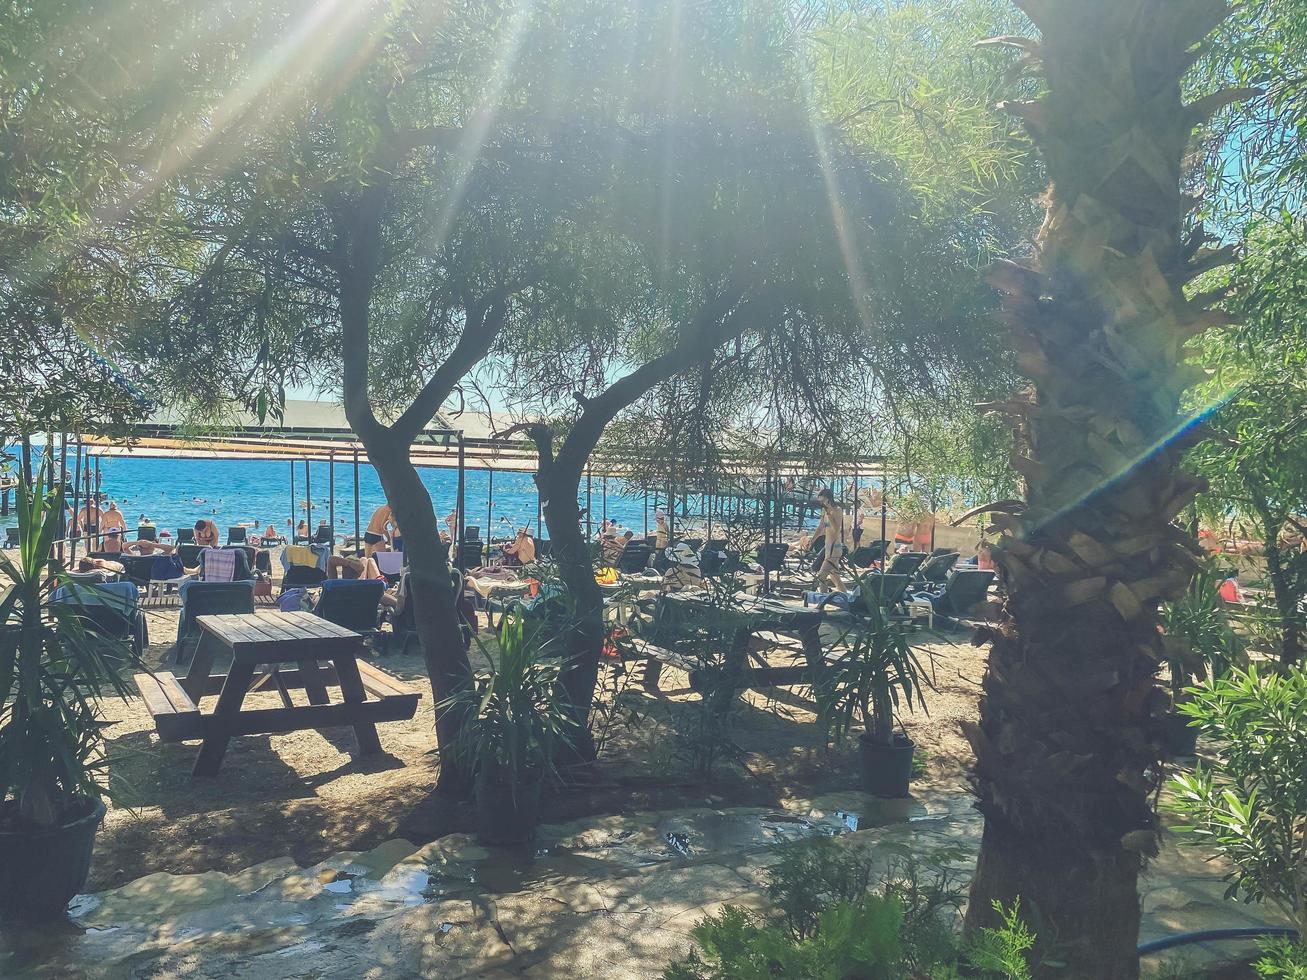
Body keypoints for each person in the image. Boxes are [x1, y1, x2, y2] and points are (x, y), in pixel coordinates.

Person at [813, 488, 847, 592]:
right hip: (827, 547)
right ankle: (845, 596)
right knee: (835, 577)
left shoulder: (837, 510)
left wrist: (829, 514)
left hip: (834, 548)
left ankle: (822, 599)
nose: (822, 503)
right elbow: (820, 527)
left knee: (821, 576)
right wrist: (813, 540)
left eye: (823, 501)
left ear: (828, 499)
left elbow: (836, 529)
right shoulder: (825, 511)